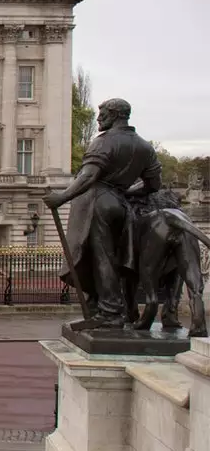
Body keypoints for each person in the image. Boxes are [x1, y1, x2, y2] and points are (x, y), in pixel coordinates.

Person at [44, 97, 161, 330]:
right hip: (120, 205)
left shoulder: (104, 142)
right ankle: (98, 305)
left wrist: (62, 197)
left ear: (116, 115)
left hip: (97, 202)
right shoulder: (145, 146)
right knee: (107, 258)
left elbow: (88, 176)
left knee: (100, 258)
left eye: (103, 113)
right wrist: (126, 192)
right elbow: (153, 185)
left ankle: (110, 312)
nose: (98, 118)